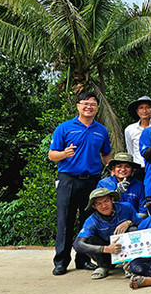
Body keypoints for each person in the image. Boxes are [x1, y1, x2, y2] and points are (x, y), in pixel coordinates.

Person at [48, 91, 112, 276]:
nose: (88, 107)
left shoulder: (101, 130)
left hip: (91, 181)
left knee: (88, 222)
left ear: (97, 108)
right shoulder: (65, 128)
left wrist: (115, 169)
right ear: (78, 105)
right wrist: (64, 154)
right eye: (85, 103)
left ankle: (83, 260)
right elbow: (52, 154)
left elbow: (105, 155)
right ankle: (61, 261)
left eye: (92, 104)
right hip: (68, 179)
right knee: (65, 220)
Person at [73, 188, 141, 279]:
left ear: (112, 200)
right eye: (99, 203)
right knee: (88, 240)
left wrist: (129, 222)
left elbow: (142, 224)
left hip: (126, 250)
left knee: (133, 230)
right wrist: (106, 249)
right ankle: (104, 266)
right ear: (94, 206)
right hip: (107, 252)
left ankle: (129, 264)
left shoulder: (126, 207)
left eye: (106, 201)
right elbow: (77, 245)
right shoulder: (92, 220)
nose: (104, 206)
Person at [96, 152, 147, 217]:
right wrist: (116, 194)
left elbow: (143, 212)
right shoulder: (104, 184)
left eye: (127, 166)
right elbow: (99, 208)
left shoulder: (139, 185)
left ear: (132, 169)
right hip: (110, 222)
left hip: (133, 222)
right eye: (119, 166)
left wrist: (130, 222)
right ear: (113, 169)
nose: (123, 169)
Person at [124, 96, 151, 172]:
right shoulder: (130, 129)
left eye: (148, 107)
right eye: (141, 108)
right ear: (137, 111)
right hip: (138, 168)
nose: (145, 111)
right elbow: (131, 151)